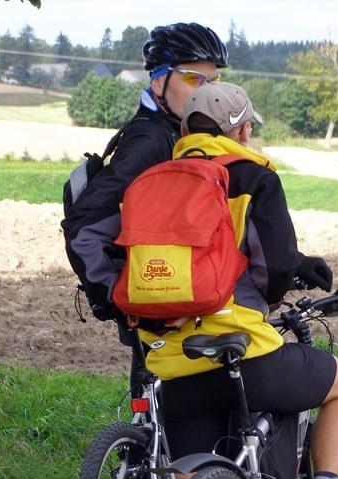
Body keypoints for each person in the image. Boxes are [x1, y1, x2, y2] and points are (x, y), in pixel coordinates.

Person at [138, 82, 338, 479]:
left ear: (184, 129)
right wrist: (281, 288)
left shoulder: (152, 181)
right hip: (244, 353)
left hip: (172, 362)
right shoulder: (253, 174)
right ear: (241, 130)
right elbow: (275, 264)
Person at [61, 22, 229, 321]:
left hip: (184, 291)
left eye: (213, 81)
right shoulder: (149, 141)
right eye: (194, 79)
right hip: (160, 302)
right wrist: (113, 296)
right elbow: (83, 227)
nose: (208, 92)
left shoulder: (181, 134)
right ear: (158, 82)